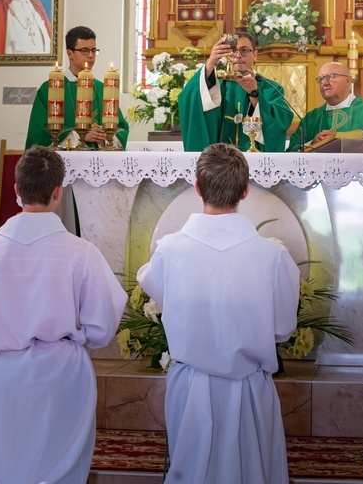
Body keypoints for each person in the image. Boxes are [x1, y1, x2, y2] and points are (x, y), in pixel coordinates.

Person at [0, 146, 126, 484]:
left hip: (1, 374)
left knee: (1, 469)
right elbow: (102, 326)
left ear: (16, 190)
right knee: (58, 471)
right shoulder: (82, 253)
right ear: (58, 191)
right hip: (63, 375)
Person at [138, 143, 300, 484]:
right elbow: (283, 328)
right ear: (244, 191)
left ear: (197, 188)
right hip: (250, 388)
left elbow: (155, 288)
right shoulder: (272, 257)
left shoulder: (170, 250)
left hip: (191, 386)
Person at [178, 32, 293, 152]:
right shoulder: (215, 86)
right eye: (233, 51)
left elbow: (279, 123)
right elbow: (188, 98)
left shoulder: (270, 88)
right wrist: (211, 62)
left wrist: (254, 93)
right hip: (218, 164)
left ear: (255, 54)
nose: (237, 55)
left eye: (244, 50)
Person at [26, 25, 129, 149]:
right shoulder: (50, 88)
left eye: (94, 50)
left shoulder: (103, 88)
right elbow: (39, 134)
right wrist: (80, 136)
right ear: (70, 53)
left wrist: (104, 134)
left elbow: (121, 129)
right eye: (85, 50)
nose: (91, 55)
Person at [287, 61, 363, 151]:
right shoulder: (311, 119)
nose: (324, 83)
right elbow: (292, 150)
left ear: (348, 81)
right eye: (320, 79)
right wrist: (312, 144)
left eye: (331, 76)